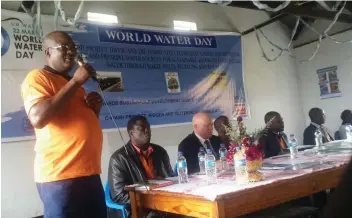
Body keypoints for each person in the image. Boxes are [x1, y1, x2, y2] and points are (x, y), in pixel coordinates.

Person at [21, 31, 106, 217]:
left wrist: (95, 111)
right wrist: (75, 81)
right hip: (60, 177)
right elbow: (37, 118)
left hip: (89, 173)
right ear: (48, 52)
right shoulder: (38, 78)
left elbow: (79, 127)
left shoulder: (75, 87)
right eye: (64, 47)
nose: (71, 52)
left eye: (73, 48)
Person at [108, 115, 173, 218]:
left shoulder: (160, 152)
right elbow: (119, 196)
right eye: (142, 128)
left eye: (148, 128)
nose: (147, 131)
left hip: (166, 203)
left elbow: (171, 179)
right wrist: (149, 200)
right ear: (131, 133)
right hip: (139, 209)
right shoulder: (119, 159)